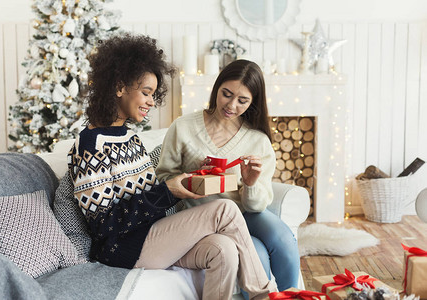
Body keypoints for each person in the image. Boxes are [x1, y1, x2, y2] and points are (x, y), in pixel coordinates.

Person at [68, 33, 278, 300]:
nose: (151, 102)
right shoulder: (91, 145)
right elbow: (103, 225)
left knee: (223, 249)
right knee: (225, 209)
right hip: (124, 248)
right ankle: (265, 295)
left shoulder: (129, 137)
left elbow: (148, 195)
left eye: (153, 95)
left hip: (155, 235)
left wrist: (191, 178)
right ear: (119, 87)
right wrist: (167, 191)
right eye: (146, 93)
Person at [155, 59, 301, 297]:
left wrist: (251, 184)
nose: (232, 105)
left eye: (242, 101)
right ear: (216, 88)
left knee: (283, 238)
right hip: (204, 217)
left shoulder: (257, 140)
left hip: (244, 213)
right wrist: (195, 176)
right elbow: (164, 178)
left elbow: (256, 206)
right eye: (227, 94)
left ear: (253, 102)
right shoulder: (183, 127)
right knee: (258, 254)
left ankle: (294, 296)